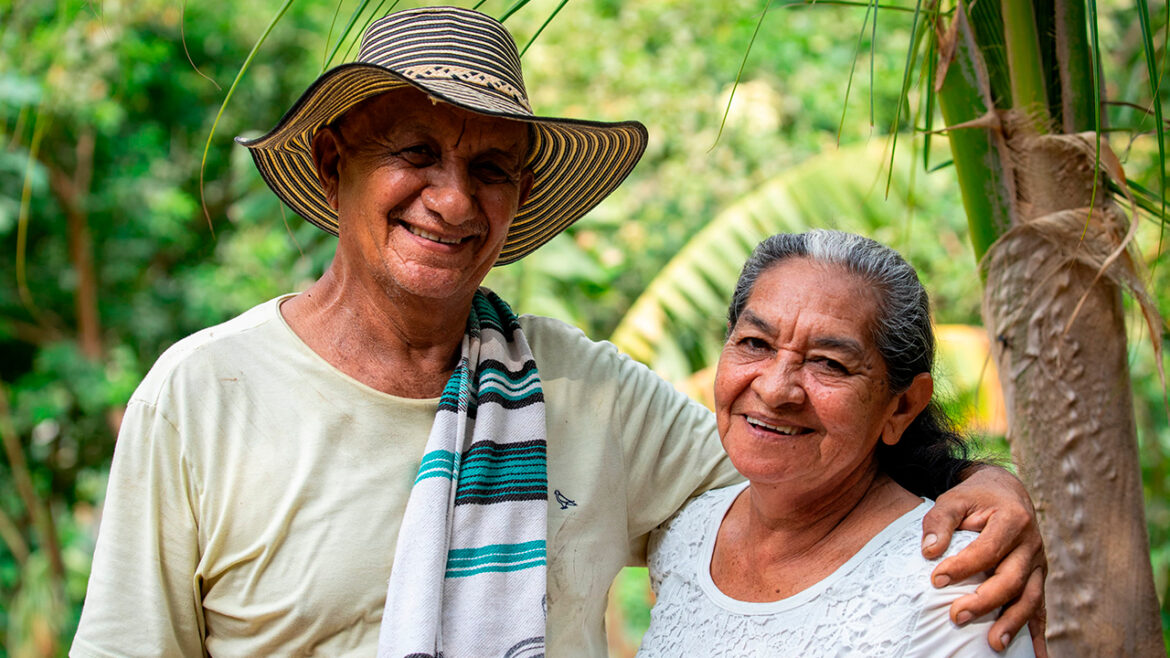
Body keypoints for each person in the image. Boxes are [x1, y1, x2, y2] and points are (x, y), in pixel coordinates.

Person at [72, 7, 1045, 657]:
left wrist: (987, 483)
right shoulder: (205, 394)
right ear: (335, 164)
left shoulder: (577, 391)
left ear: (519, 196)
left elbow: (806, 458)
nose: (453, 201)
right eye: (416, 152)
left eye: (491, 166)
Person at [638, 230, 1039, 656]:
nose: (776, 390)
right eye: (756, 343)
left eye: (829, 363)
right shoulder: (686, 533)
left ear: (902, 407)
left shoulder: (949, 589)